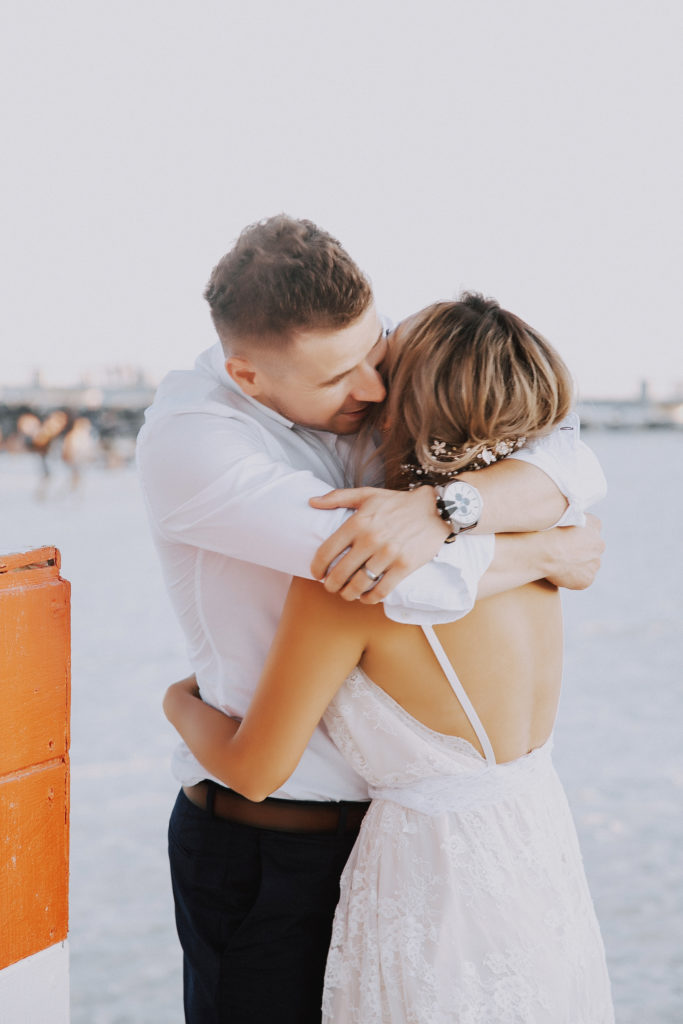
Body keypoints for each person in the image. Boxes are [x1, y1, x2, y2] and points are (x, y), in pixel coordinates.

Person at [136, 215, 605, 1024]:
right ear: (248, 377)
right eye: (337, 377)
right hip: (276, 848)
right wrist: (546, 551)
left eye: (378, 354)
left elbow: (567, 457)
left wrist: (443, 506)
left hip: (403, 852)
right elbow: (379, 560)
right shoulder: (197, 444)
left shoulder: (400, 458)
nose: (373, 389)